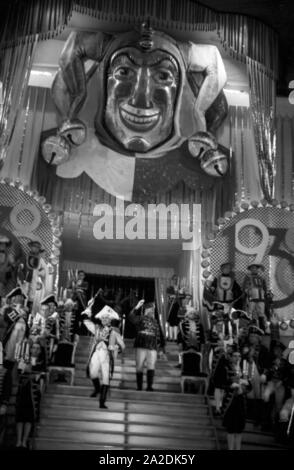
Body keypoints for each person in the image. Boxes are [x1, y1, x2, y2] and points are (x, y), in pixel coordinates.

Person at [82, 304, 125, 408]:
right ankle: (97, 389)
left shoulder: (114, 331)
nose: (104, 319)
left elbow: (122, 345)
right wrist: (88, 310)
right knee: (93, 373)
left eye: (106, 318)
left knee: (106, 377)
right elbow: (86, 322)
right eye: (103, 317)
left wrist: (116, 348)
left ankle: (102, 401)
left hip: (106, 355)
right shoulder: (96, 329)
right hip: (96, 353)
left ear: (110, 320)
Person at [0, 287, 29, 409]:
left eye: (22, 298)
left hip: (20, 341)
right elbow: (10, 318)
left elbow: (26, 327)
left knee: (15, 363)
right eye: (19, 297)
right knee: (7, 362)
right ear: (13, 298)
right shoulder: (7, 309)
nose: (21, 300)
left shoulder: (24, 313)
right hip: (10, 341)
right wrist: (19, 312)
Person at [15, 340, 47, 449]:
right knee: (20, 416)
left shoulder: (42, 362)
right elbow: (20, 372)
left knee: (29, 417)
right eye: (34, 348)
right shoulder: (24, 358)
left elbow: (42, 375)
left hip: (34, 392)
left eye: (38, 348)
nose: (36, 350)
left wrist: (37, 376)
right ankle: (18, 441)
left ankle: (24, 441)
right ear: (31, 349)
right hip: (23, 390)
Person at [129, 300, 165, 392]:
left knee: (151, 364)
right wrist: (137, 307)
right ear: (145, 310)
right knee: (139, 365)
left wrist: (161, 348)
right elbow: (131, 317)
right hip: (141, 342)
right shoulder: (140, 318)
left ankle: (149, 386)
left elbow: (159, 335)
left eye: (153, 310)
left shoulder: (156, 322)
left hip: (152, 344)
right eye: (150, 309)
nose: (152, 311)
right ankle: (139, 387)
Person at [222, 345, 251, 450]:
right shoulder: (226, 368)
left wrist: (246, 384)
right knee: (231, 429)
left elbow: (250, 386)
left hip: (241, 402)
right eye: (235, 356)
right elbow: (223, 382)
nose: (237, 358)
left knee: (239, 430)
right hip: (230, 401)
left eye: (239, 356)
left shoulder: (245, 369)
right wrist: (231, 385)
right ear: (231, 357)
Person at [243, 264, 268, 331]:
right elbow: (245, 287)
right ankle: (250, 329)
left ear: (257, 269)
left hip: (261, 298)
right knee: (250, 312)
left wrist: (265, 293)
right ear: (250, 269)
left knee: (261, 313)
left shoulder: (262, 278)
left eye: (255, 268)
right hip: (252, 298)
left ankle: (262, 329)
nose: (254, 269)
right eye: (252, 268)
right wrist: (248, 292)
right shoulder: (248, 277)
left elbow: (265, 287)